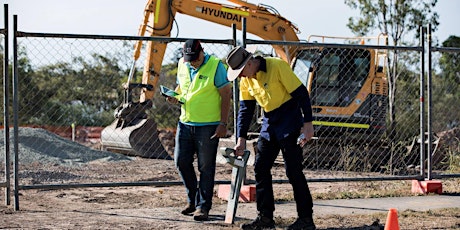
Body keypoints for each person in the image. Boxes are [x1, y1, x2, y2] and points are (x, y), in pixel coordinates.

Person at [226, 46, 316, 230]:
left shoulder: (277, 66)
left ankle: (306, 220)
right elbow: (245, 110)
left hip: (289, 119)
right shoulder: (246, 80)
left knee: (293, 171)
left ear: (250, 63)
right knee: (261, 167)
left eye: (241, 72)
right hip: (269, 122)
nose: (240, 77)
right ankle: (265, 218)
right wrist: (241, 138)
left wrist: (308, 124)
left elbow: (301, 94)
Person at [166, 39, 232, 221]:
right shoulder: (182, 64)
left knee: (205, 167)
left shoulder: (216, 66)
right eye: (189, 58)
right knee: (181, 161)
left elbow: (226, 94)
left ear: (202, 52)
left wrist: (223, 124)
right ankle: (192, 200)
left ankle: (203, 206)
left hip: (208, 126)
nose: (192, 61)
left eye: (195, 58)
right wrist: (174, 96)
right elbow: (182, 87)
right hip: (185, 123)